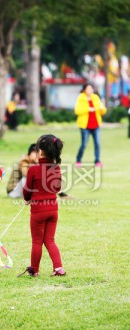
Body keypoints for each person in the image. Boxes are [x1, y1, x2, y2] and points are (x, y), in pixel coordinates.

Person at [19, 134, 66, 278]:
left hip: (38, 212)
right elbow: (57, 189)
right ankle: (58, 268)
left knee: (37, 241)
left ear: (40, 152)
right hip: (53, 211)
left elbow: (27, 190)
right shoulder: (56, 169)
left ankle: (34, 270)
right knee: (50, 240)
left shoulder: (33, 170)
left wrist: (28, 198)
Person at [75, 83, 107, 167]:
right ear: (84, 90)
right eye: (88, 88)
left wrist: (102, 109)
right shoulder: (81, 98)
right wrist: (88, 109)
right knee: (84, 144)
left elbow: (103, 110)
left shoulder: (95, 97)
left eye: (91, 88)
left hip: (95, 125)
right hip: (85, 126)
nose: (90, 90)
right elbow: (77, 111)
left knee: (97, 143)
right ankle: (78, 160)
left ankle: (97, 160)